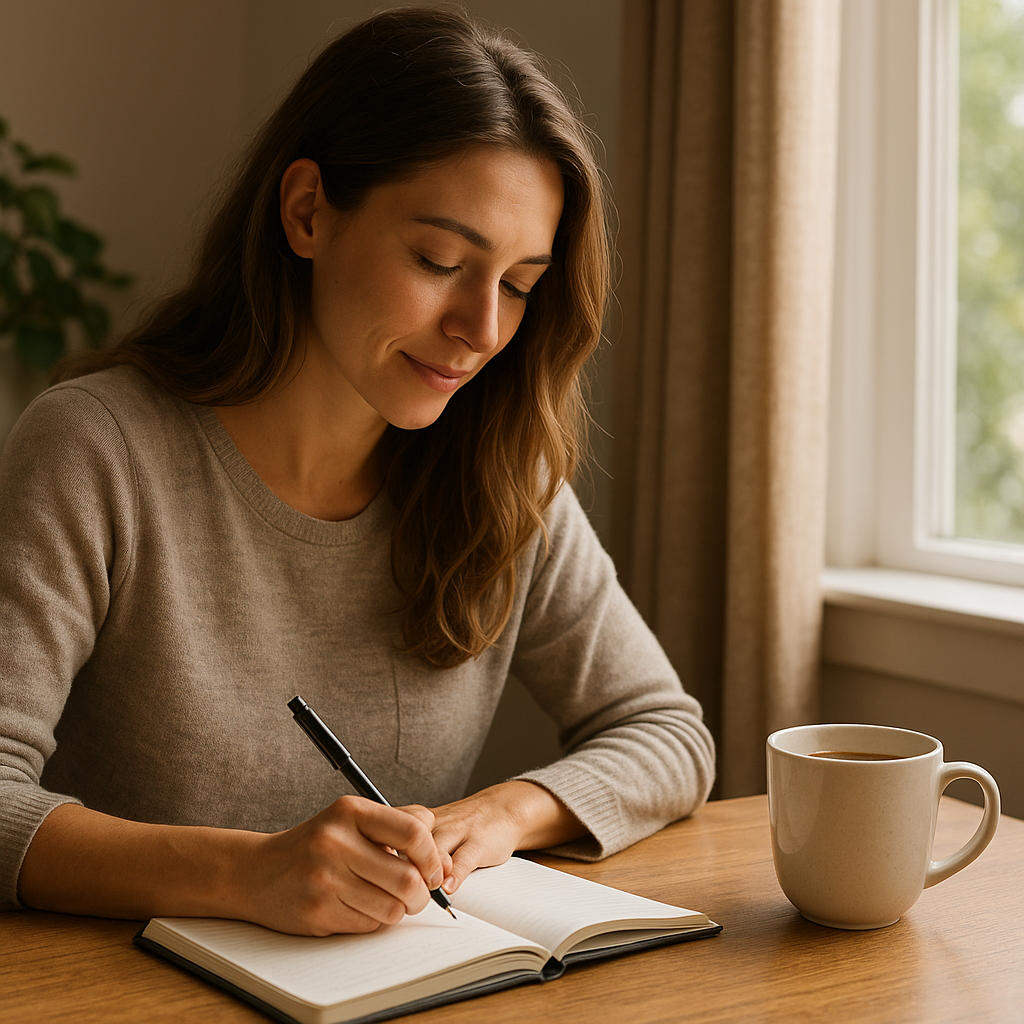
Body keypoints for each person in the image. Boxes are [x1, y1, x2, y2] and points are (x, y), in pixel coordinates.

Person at [0, 7, 715, 936]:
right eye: (440, 260)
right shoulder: (97, 448)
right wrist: (244, 873)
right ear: (307, 213)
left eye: (518, 285)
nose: (484, 330)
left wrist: (499, 815)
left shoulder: (501, 472)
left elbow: (666, 733)